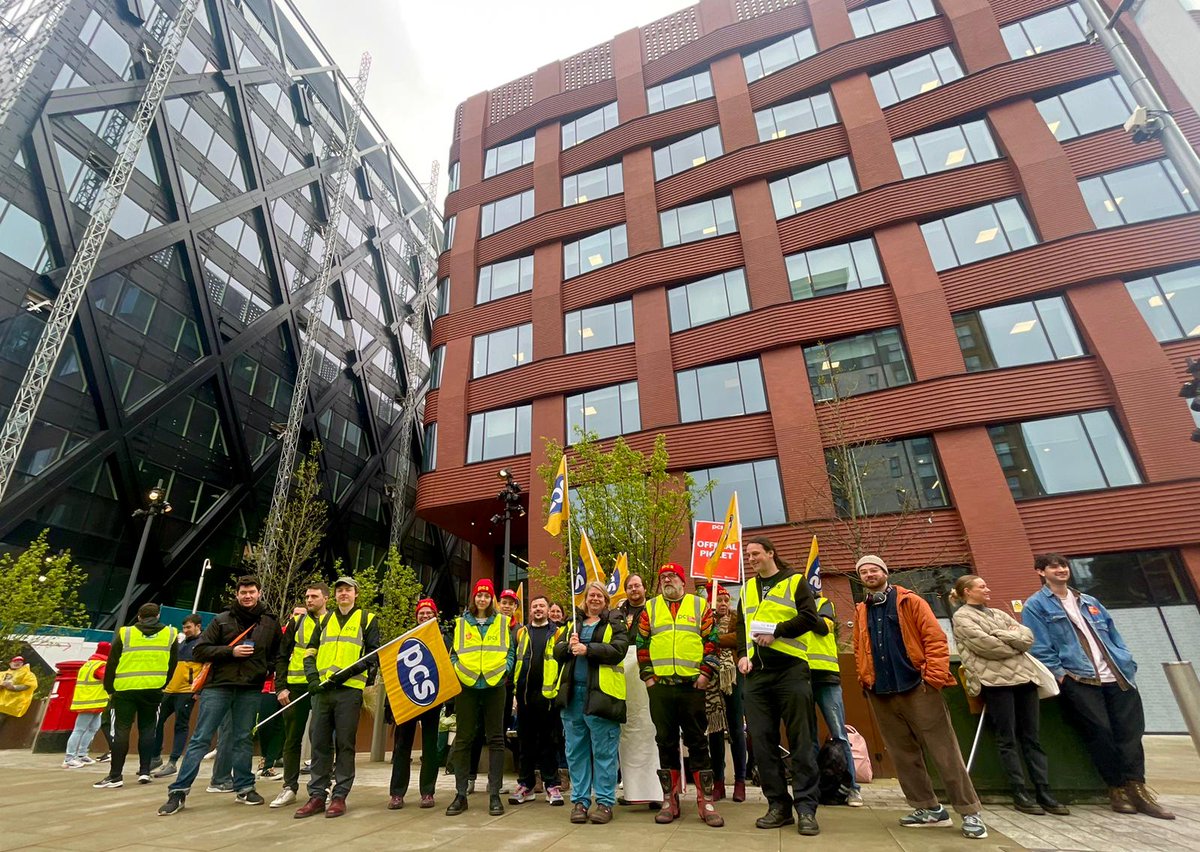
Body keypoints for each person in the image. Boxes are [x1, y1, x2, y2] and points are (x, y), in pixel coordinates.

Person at [1023, 554, 1173, 820]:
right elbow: (1039, 644)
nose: (1061, 570)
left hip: (1117, 675)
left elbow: (1113, 635)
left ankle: (1138, 789)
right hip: (1080, 679)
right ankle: (1116, 788)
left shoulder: (1089, 601)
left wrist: (1126, 660)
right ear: (1040, 572)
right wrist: (1061, 674)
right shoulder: (1036, 605)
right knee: (1100, 733)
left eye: (1064, 565)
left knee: (1130, 733)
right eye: (1054, 566)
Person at [853, 555, 987, 839]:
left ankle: (969, 812)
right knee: (903, 755)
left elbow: (935, 639)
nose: (869, 574)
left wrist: (934, 679)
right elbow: (858, 648)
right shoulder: (861, 609)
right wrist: (865, 678)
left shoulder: (910, 601)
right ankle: (927, 808)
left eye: (874, 569)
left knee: (944, 752)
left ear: (885, 572)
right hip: (881, 692)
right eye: (863, 571)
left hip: (918, 688)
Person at [156, 576, 281, 816]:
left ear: (259, 593)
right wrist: (230, 651)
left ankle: (245, 787)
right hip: (219, 686)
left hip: (250, 688)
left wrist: (266, 668)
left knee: (243, 738)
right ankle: (178, 791)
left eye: (251, 592)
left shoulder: (270, 622)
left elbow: (277, 651)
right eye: (243, 592)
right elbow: (200, 649)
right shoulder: (222, 620)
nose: (247, 596)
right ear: (237, 594)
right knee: (201, 738)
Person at [950, 574, 1068, 816]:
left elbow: (1028, 637)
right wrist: (1012, 640)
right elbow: (986, 646)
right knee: (1007, 738)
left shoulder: (998, 614)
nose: (987, 589)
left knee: (1032, 736)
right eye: (982, 586)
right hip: (995, 683)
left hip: (1025, 680)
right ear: (967, 592)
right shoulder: (962, 618)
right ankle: (1019, 791)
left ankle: (1044, 790)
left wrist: (1005, 636)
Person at [735, 537, 825, 836]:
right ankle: (778, 806)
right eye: (748, 555)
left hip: (791, 671)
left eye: (756, 554)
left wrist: (778, 632)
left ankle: (806, 808)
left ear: (771, 553)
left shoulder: (795, 581)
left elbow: (811, 619)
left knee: (801, 740)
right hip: (756, 676)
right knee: (761, 742)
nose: (751, 559)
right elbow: (741, 627)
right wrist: (741, 656)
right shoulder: (747, 589)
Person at [638, 563, 723, 828]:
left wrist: (705, 674)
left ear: (682, 580)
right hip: (661, 687)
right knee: (665, 741)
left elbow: (712, 640)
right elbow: (642, 644)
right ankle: (669, 800)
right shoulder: (649, 608)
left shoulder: (700, 606)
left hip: (692, 687)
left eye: (671, 576)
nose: (666, 580)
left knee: (698, 742)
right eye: (662, 577)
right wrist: (649, 677)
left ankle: (705, 801)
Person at [294, 576, 379, 819]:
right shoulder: (325, 619)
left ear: (356, 594)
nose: (344, 594)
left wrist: (343, 676)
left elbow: (372, 656)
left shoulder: (367, 619)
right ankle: (317, 795)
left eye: (348, 590)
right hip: (322, 691)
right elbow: (309, 651)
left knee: (345, 744)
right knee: (319, 743)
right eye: (340, 590)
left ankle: (339, 796)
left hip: (349, 690)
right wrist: (311, 677)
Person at [553, 581, 627, 824]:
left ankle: (605, 803)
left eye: (599, 596)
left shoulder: (614, 622)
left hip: (601, 696)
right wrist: (568, 646)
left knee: (604, 752)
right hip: (573, 697)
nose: (594, 599)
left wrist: (588, 649)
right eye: (590, 595)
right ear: (584, 600)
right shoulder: (572, 623)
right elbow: (557, 651)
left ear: (605, 600)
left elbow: (619, 649)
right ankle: (580, 801)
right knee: (576, 752)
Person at [445, 578, 514, 817]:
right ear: (474, 598)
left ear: (491, 599)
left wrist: (506, 668)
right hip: (467, 686)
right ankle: (460, 794)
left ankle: (494, 794)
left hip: (495, 685)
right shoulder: (461, 624)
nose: (482, 599)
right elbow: (454, 653)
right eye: (479, 595)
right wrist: (457, 669)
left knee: (496, 739)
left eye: (486, 595)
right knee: (464, 739)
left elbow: (510, 651)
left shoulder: (503, 622)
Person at [94, 604, 178, 789]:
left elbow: (112, 662)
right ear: (157, 615)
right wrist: (163, 684)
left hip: (124, 689)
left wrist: (110, 688)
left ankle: (115, 775)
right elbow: (173, 664)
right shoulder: (171, 634)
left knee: (121, 730)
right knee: (148, 729)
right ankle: (145, 771)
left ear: (139, 616)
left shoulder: (126, 633)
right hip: (154, 689)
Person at [802, 587, 862, 807]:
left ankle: (852, 788)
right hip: (801, 677)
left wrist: (800, 618)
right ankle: (817, 788)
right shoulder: (790, 609)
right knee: (808, 738)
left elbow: (824, 627)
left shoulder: (824, 604)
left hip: (827, 677)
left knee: (839, 734)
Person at [271, 584, 327, 807]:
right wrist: (280, 687)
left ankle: (322, 786)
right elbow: (282, 655)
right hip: (295, 686)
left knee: (321, 737)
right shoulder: (296, 623)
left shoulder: (333, 622)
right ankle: (289, 787)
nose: (309, 600)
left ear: (326, 598)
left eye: (314, 596)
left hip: (322, 686)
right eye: (307, 596)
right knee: (292, 738)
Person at [389, 598, 445, 810]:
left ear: (435, 617)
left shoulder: (443, 639)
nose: (425, 616)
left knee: (430, 747)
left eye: (429, 613)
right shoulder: (405, 639)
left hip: (433, 698)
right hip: (408, 699)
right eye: (421, 613)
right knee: (402, 746)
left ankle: (428, 792)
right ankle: (397, 793)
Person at [510, 594, 564, 805]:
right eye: (534, 606)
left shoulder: (558, 634)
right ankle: (526, 785)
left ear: (548, 609)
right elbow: (516, 662)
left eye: (542, 606)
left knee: (549, 742)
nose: (538, 609)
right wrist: (515, 693)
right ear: (530, 610)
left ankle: (552, 785)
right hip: (524, 697)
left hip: (548, 698)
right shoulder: (521, 633)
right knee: (526, 742)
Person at [616, 572, 659, 806]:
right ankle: (633, 792)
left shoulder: (654, 609)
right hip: (625, 673)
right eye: (630, 587)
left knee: (650, 729)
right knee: (628, 731)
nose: (634, 590)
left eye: (637, 586)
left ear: (644, 588)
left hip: (647, 670)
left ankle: (655, 792)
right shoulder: (618, 613)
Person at [151, 614, 203, 777]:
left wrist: (198, 691)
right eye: (184, 628)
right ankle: (155, 757)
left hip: (186, 691)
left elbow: (207, 669)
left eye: (189, 627)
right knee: (157, 721)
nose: (185, 630)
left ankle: (172, 762)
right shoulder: (181, 643)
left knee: (180, 725)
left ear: (198, 626)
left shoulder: (203, 644)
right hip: (170, 690)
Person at [708, 584, 747, 803]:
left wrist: (713, 640)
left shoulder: (735, 619)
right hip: (711, 679)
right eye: (718, 601)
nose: (722, 604)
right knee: (714, 729)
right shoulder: (706, 620)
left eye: (725, 601)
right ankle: (718, 781)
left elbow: (738, 638)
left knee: (736, 729)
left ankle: (740, 781)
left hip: (733, 679)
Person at [64, 642, 110, 767]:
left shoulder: (88, 664)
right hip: (91, 702)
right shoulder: (101, 665)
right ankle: (69, 758)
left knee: (92, 728)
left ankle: (82, 754)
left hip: (92, 702)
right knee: (79, 730)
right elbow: (108, 678)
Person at [0, 655, 39, 722]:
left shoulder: (28, 674)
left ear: (22, 664)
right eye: (15, 661)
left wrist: (13, 687)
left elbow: (29, 685)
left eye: (20, 662)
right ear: (10, 663)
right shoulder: (2, 674)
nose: (17, 663)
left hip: (12, 706)